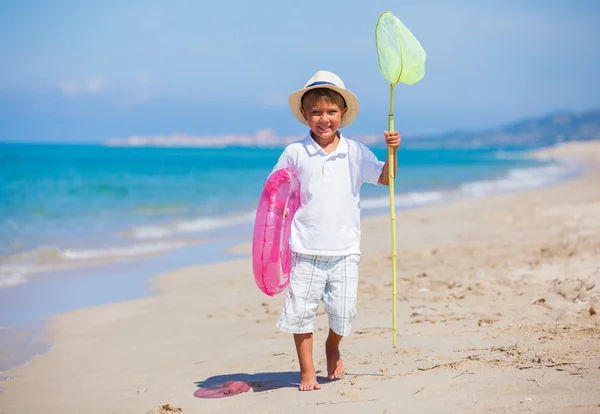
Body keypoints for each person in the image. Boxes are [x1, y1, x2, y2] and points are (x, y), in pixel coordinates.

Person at [270, 70, 400, 391]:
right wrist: (280, 212)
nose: (323, 119)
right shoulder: (294, 152)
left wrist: (393, 152)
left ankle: (332, 345)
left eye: (331, 112)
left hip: (344, 250)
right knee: (301, 313)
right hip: (304, 249)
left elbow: (386, 178)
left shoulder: (354, 152)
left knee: (343, 313)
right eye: (316, 112)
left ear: (342, 114)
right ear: (304, 115)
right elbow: (276, 192)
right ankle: (307, 371)